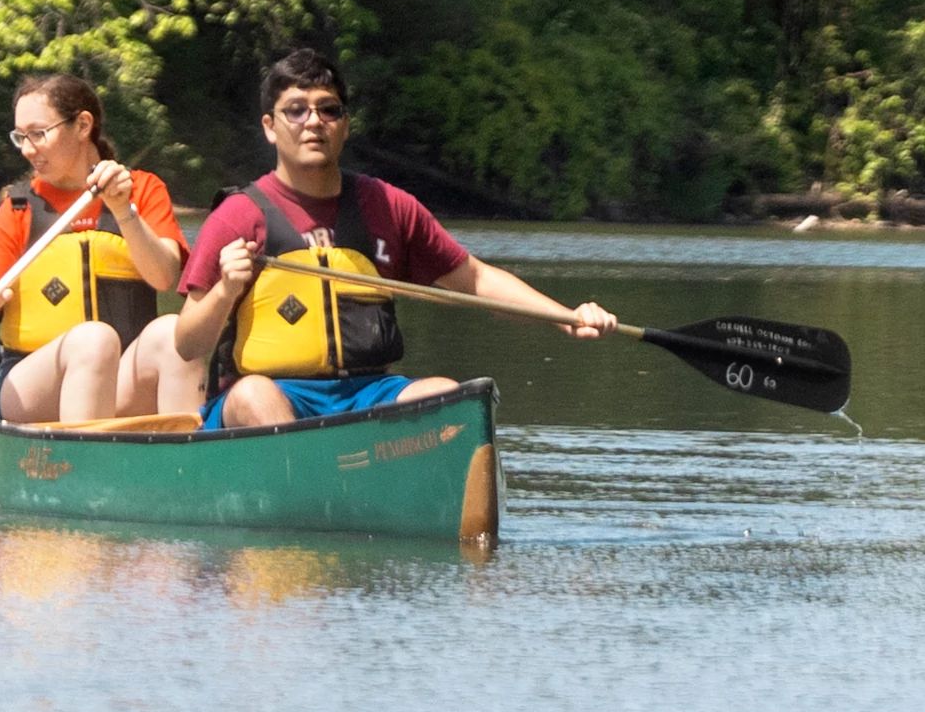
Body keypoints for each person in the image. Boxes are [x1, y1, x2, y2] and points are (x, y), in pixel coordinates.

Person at [162, 46, 618, 427]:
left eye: (328, 109)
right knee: (253, 395)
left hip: (369, 392)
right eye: (296, 110)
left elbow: (476, 279)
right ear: (270, 126)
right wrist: (226, 289)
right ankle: (305, 492)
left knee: (446, 396)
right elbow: (187, 344)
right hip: (272, 395)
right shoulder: (238, 216)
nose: (313, 121)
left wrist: (565, 316)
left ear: (345, 124)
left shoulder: (387, 206)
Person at [0, 70, 188, 429]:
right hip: (31, 385)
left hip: (118, 379)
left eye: (38, 133)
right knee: (94, 340)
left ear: (83, 125)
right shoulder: (18, 209)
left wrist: (123, 210)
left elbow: (165, 276)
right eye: (20, 136)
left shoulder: (142, 190)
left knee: (174, 331)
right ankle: (83, 459)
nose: (27, 149)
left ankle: (185, 456)